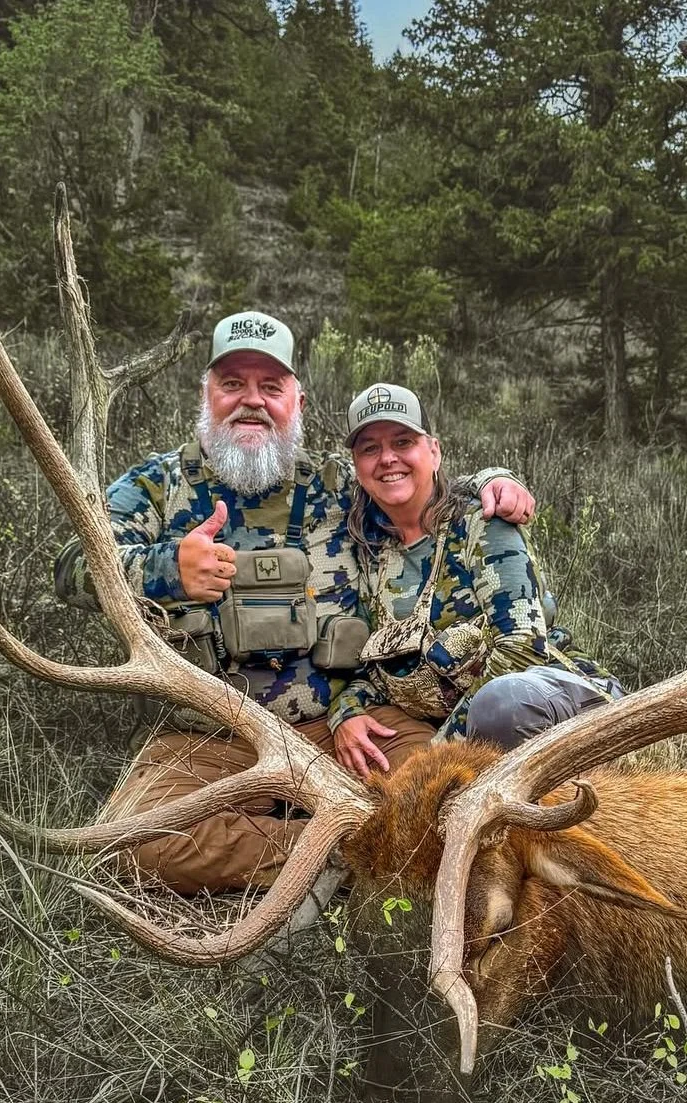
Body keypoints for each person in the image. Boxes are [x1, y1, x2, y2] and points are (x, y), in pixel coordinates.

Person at [53, 312, 535, 893]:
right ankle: (347, 853)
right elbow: (71, 568)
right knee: (129, 844)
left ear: (296, 402)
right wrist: (166, 569)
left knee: (454, 803)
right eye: (233, 384)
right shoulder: (155, 486)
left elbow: (414, 481)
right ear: (206, 394)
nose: (251, 402)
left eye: (270, 387)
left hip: (346, 727)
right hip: (209, 740)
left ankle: (339, 842)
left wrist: (495, 479)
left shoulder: (337, 484)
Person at [329, 382, 621, 751]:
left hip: (558, 702)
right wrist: (345, 712)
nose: (387, 458)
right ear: (357, 467)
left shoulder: (483, 523)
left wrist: (437, 753)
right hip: (475, 732)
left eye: (403, 442)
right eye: (370, 448)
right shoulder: (372, 555)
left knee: (502, 704)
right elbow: (378, 674)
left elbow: (520, 650)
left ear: (434, 452)